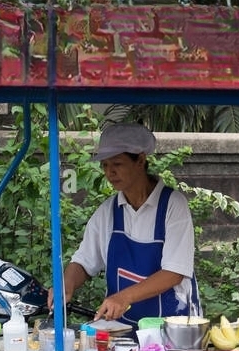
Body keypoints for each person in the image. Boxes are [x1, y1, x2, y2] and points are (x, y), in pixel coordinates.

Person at [49, 122, 200, 323]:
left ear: (140, 160)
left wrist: (123, 298)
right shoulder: (108, 211)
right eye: (105, 165)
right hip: (122, 333)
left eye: (117, 164)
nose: (110, 172)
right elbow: (84, 261)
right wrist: (66, 284)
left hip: (173, 330)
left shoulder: (173, 205)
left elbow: (174, 272)